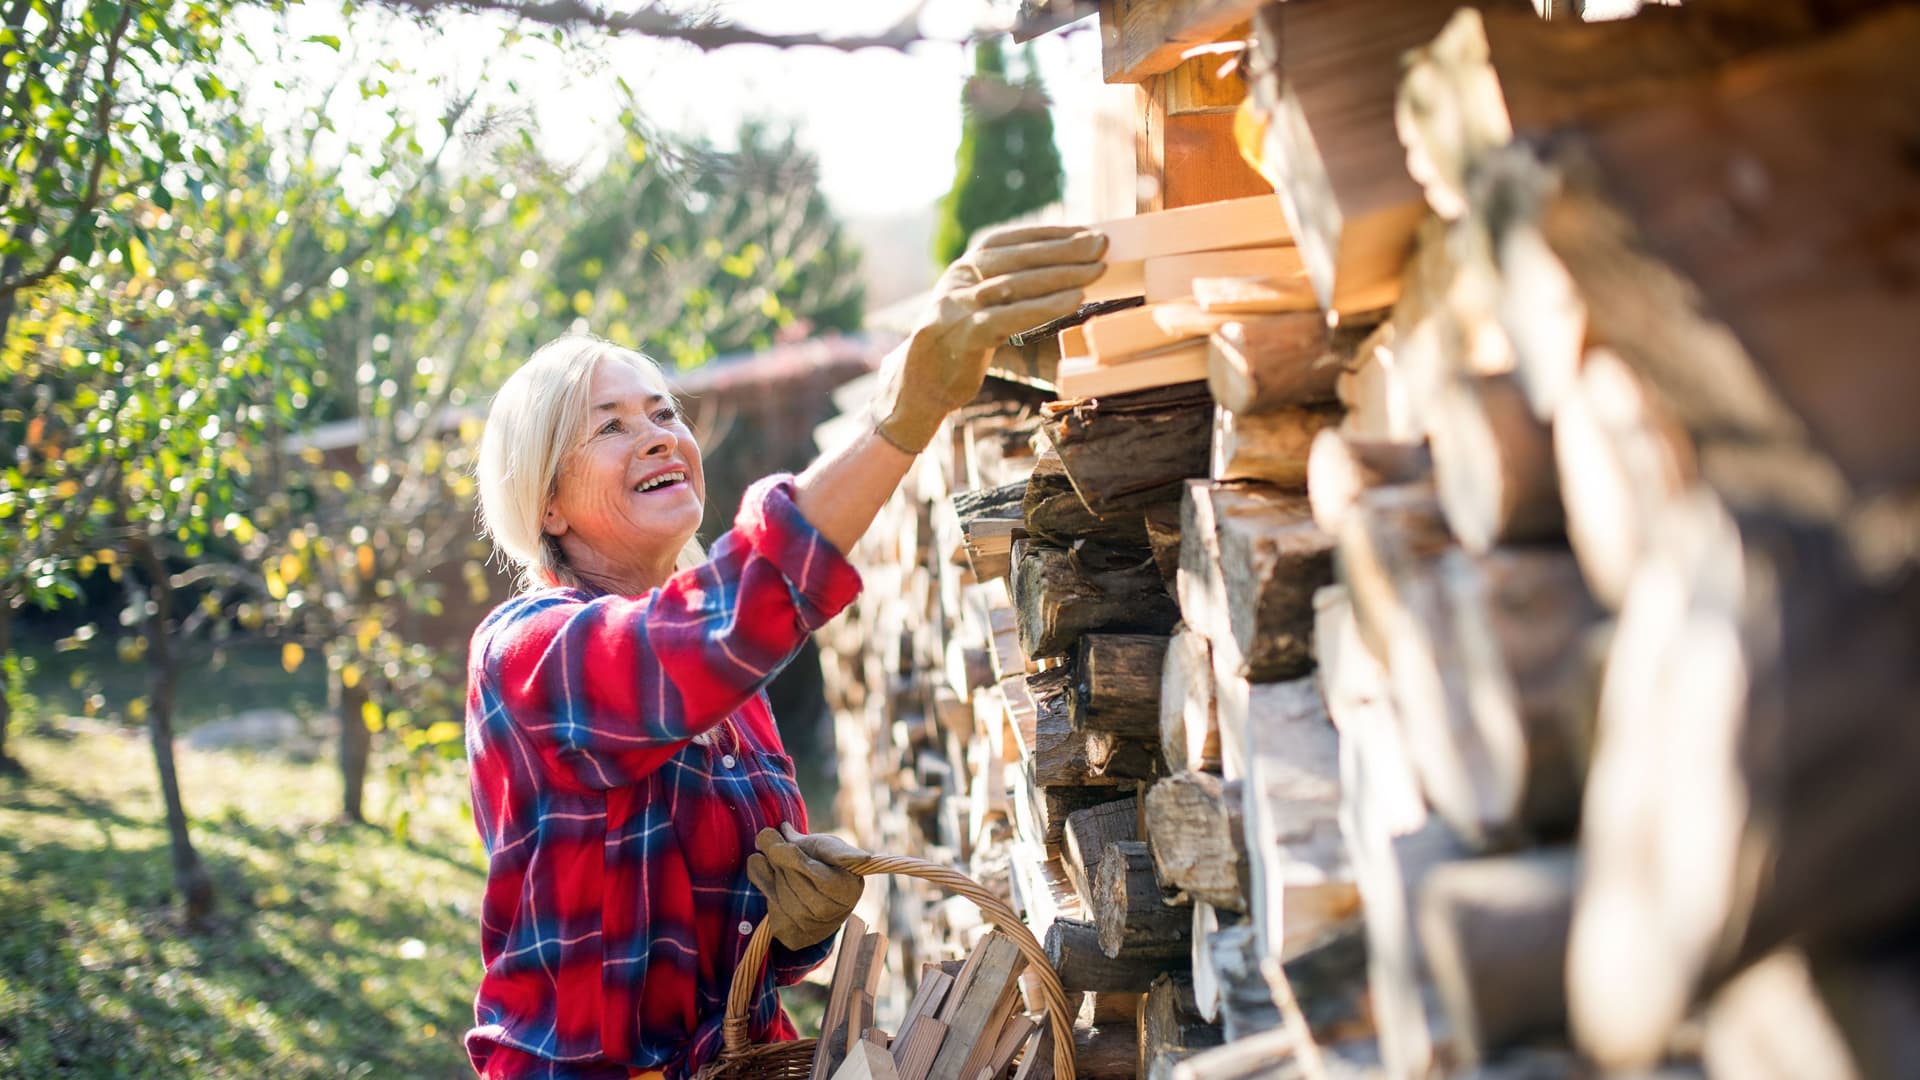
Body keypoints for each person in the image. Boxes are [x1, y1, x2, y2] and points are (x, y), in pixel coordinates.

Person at [463, 224, 1107, 1079]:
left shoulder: (732, 690)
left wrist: (800, 929)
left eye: (665, 413)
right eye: (611, 427)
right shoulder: (532, 653)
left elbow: (735, 940)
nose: (659, 435)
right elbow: (706, 629)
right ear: (548, 505)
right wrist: (896, 420)